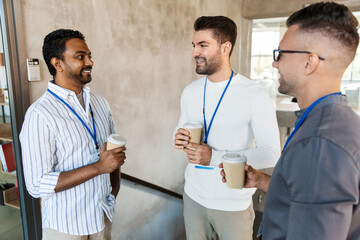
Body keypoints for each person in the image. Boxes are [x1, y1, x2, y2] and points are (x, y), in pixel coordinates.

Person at [220, 2, 360, 239]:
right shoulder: (333, 121)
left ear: (310, 62)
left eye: (281, 54)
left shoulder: (319, 143)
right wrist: (263, 180)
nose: (275, 63)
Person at [174, 16, 280, 239]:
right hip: (193, 197)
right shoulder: (190, 91)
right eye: (194, 46)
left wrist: (213, 156)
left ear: (225, 47)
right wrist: (178, 137)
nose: (195, 52)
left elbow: (271, 154)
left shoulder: (256, 95)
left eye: (203, 45)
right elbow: (179, 130)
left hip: (233, 205)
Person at [20, 29, 126, 240]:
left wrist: (112, 193)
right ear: (57, 64)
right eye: (80, 56)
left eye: (89, 56)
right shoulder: (40, 114)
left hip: (101, 219)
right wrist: (98, 168)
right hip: (65, 228)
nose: (90, 62)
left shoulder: (99, 103)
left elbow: (112, 154)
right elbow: (36, 184)